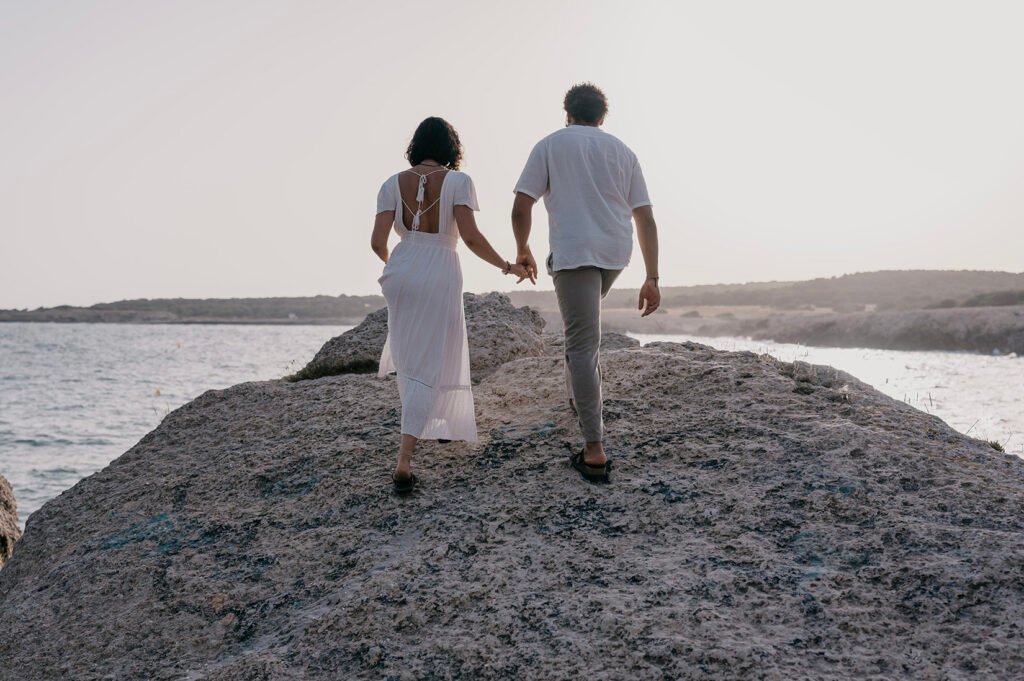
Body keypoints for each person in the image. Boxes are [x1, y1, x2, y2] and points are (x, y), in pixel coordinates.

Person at [371, 117, 532, 494]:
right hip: (440, 266)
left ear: (416, 146)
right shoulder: (459, 182)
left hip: (401, 268)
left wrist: (401, 268)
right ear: (450, 148)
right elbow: (471, 238)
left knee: (412, 358)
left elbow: (378, 241)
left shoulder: (390, 184)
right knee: (433, 356)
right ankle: (404, 459)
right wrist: (508, 266)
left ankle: (439, 425)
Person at [511, 83, 661, 483]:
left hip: (575, 255)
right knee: (581, 336)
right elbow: (644, 217)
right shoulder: (622, 152)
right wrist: (652, 277)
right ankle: (579, 399)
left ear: (567, 113)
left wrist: (522, 248)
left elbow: (521, 204)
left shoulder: (550, 145)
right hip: (614, 256)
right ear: (602, 117)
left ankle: (594, 449)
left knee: (581, 344)